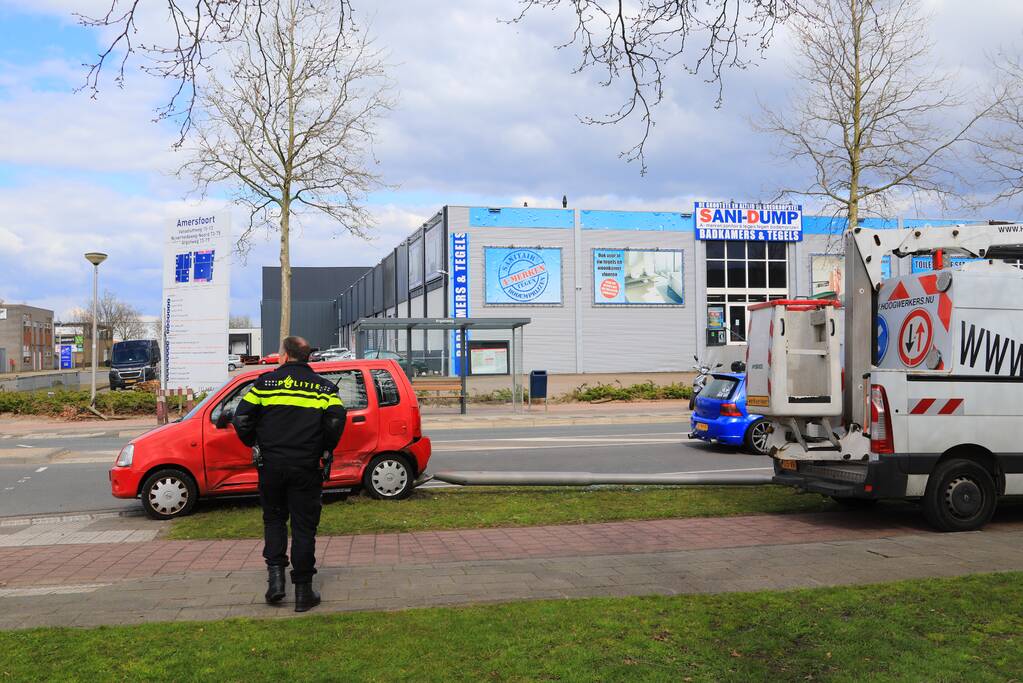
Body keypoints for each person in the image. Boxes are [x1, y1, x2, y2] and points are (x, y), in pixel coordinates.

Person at [233, 335, 346, 612]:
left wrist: (255, 443)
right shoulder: (324, 388)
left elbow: (241, 418)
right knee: (304, 527)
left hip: (271, 467)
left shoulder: (264, 384)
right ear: (308, 357)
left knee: (274, 520)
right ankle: (304, 593)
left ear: (284, 355)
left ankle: (276, 584)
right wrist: (324, 448)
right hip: (306, 467)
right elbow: (336, 420)